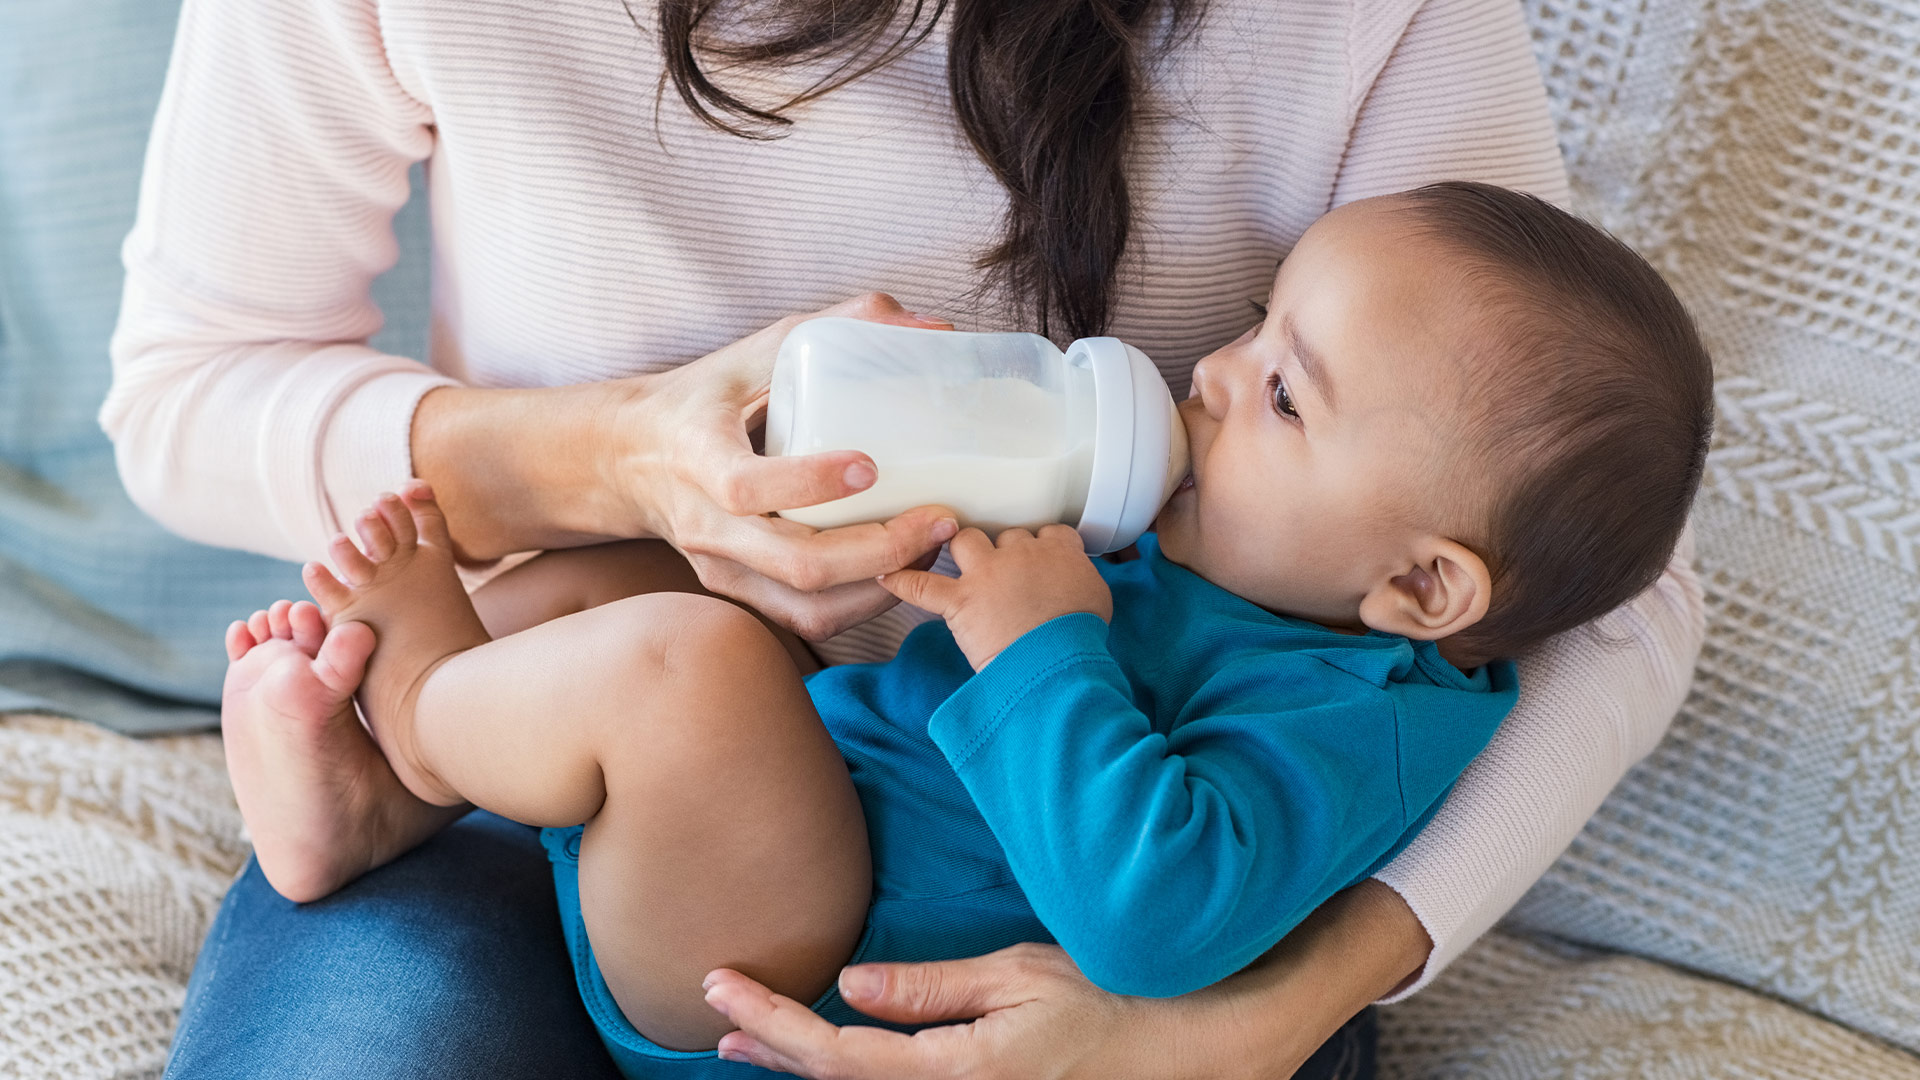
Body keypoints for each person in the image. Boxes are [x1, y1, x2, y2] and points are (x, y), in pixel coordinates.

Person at [104, 1, 1707, 1076]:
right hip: (701, 786)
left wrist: (1253, 1021)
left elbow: (1587, 577)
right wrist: (619, 456)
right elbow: (185, 387)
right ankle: (402, 770)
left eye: (1279, 379)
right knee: (618, 590)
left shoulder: (1348, 642)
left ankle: (416, 719)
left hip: (977, 951)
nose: (1207, 374)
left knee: (679, 663)